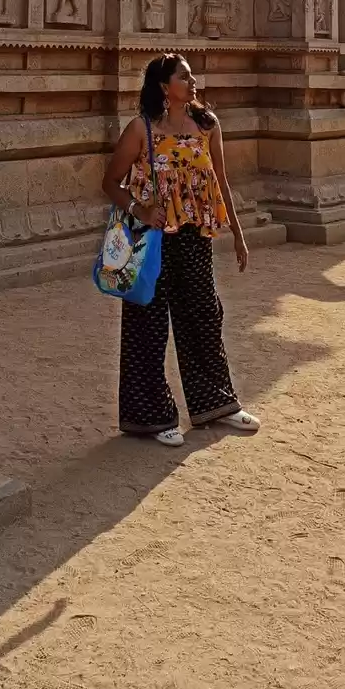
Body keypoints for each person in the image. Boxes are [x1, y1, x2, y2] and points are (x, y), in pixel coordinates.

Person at [102, 52, 259, 447]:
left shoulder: (207, 123)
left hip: (193, 235)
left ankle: (217, 405)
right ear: (163, 86)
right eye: (184, 77)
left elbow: (221, 179)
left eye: (191, 77)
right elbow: (111, 182)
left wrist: (238, 234)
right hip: (152, 239)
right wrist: (141, 209)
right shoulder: (142, 129)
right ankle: (152, 418)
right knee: (148, 325)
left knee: (205, 315)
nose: (193, 82)